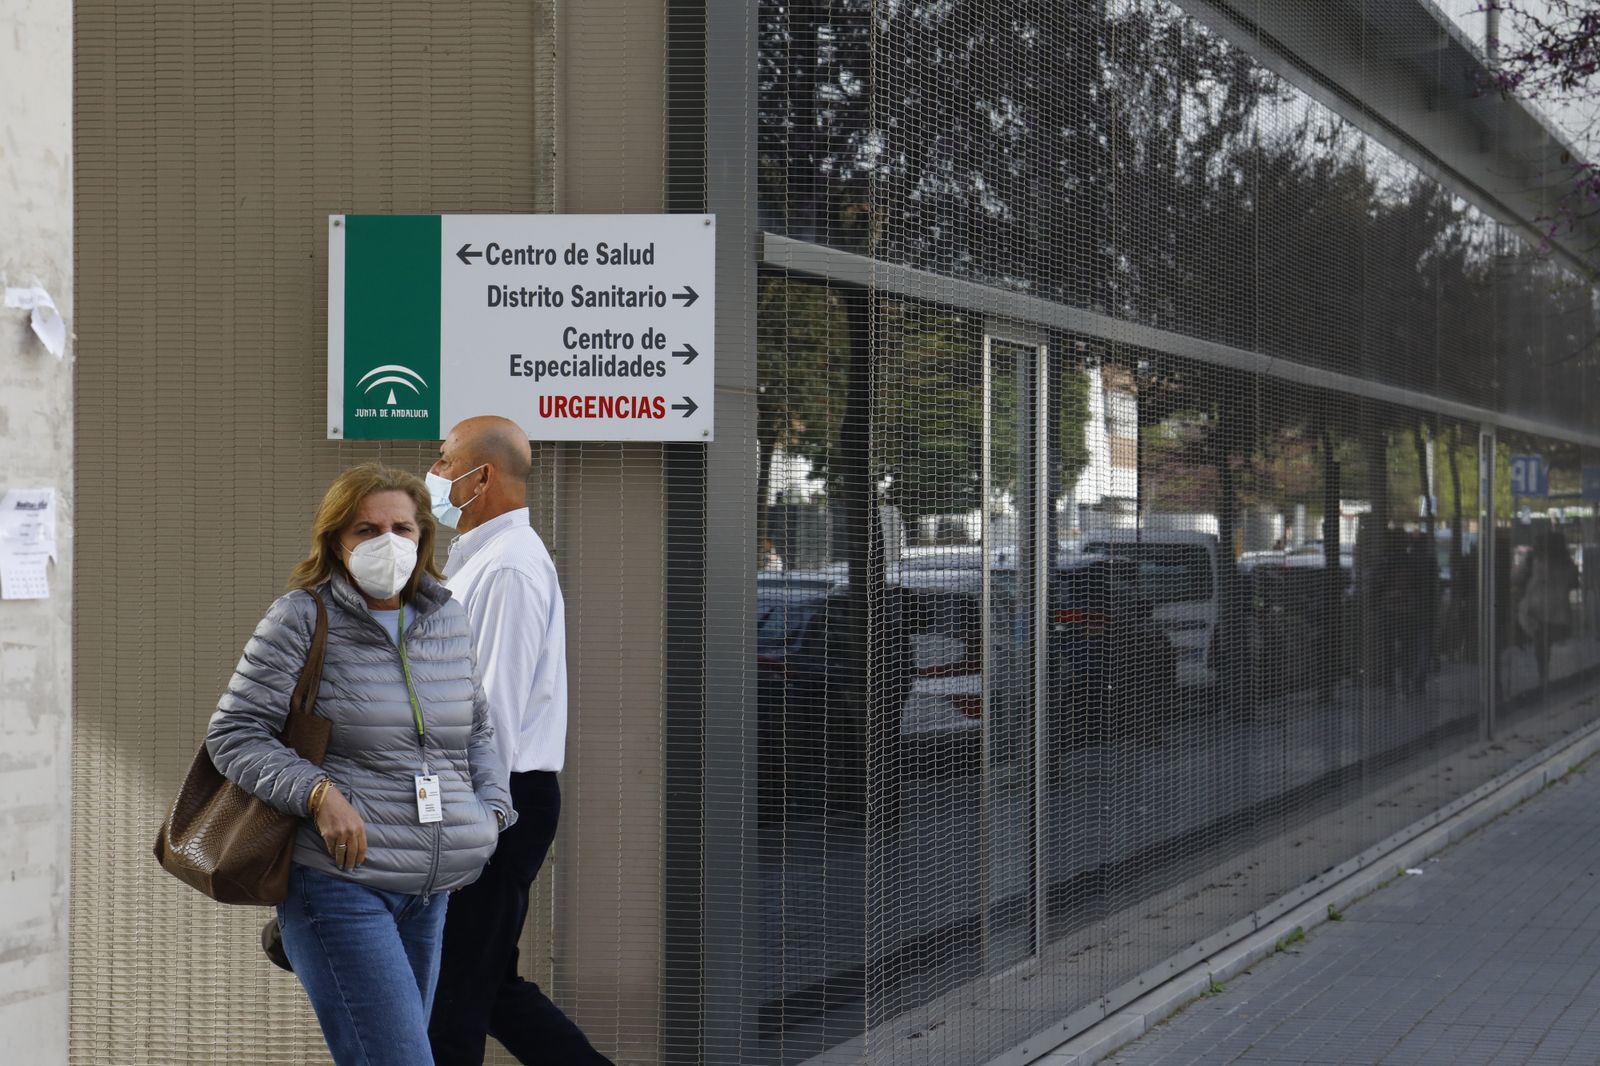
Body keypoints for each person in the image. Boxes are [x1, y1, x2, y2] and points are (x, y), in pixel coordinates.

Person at [207, 463, 514, 1066]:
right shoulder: (302, 616)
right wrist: (320, 795)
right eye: (366, 530)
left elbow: (475, 728)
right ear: (335, 542)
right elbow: (235, 734)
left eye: (402, 527)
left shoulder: (445, 619)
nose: (387, 543)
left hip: (431, 889)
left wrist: (491, 811)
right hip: (338, 883)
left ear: (424, 536)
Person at [424, 417, 613, 1066]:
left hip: (494, 800)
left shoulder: (507, 570)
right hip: (493, 799)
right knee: (484, 987)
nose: (436, 474)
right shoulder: (482, 562)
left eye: (444, 462)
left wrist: (458, 827)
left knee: (452, 999)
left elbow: (490, 717)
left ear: (482, 478)